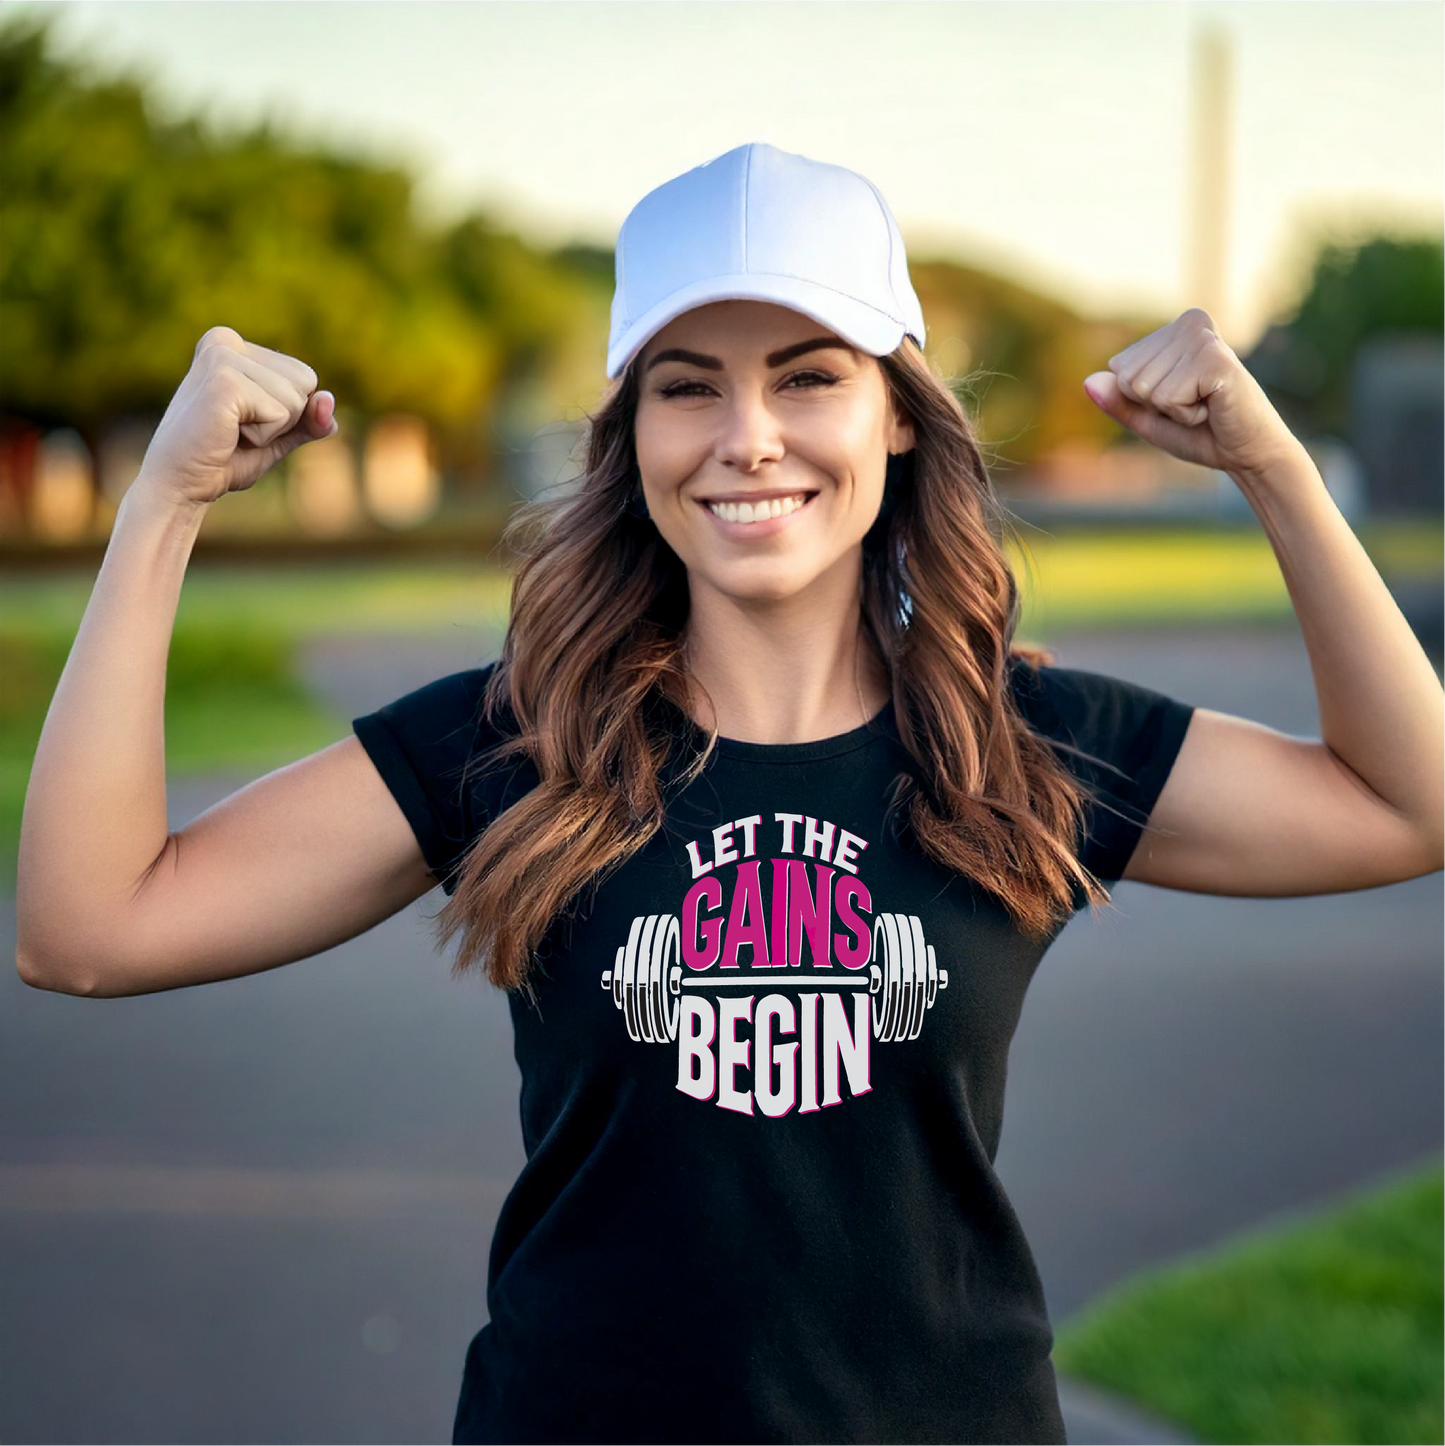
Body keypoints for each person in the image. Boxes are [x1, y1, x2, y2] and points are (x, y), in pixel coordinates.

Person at [16, 141, 1445, 1445]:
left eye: (809, 375)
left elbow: (1410, 803)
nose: (746, 435)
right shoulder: (523, 742)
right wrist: (162, 507)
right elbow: (86, 928)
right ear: (631, 433)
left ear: (898, 416)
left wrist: (1272, 465)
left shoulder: (1018, 744)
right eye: (687, 384)